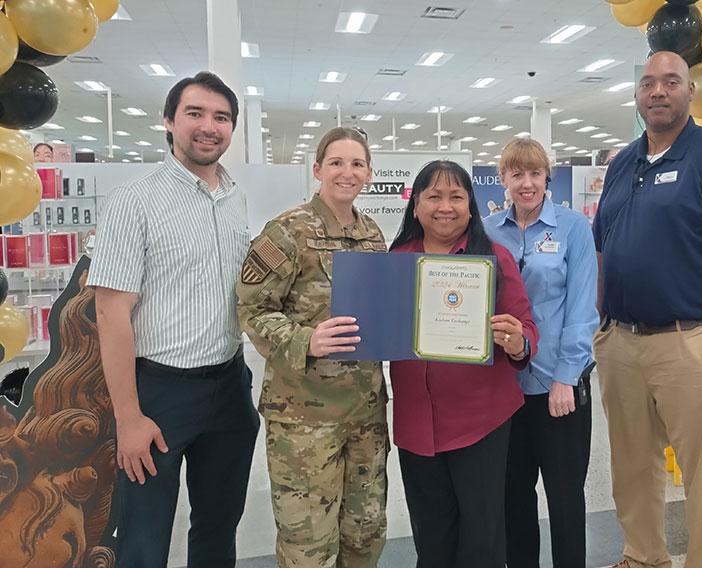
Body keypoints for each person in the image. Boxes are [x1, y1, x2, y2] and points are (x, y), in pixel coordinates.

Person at [592, 51, 702, 568]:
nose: (658, 91)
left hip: (692, 341)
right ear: (637, 95)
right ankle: (643, 555)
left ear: (689, 91)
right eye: (648, 83)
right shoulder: (624, 163)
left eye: (671, 81)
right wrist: (602, 324)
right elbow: (604, 246)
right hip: (621, 342)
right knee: (630, 467)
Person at [88, 71, 259, 567]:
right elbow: (111, 311)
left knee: (218, 525)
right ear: (169, 121)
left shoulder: (234, 200)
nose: (209, 127)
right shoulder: (134, 201)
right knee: (145, 535)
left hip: (229, 385)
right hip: (158, 393)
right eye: (195, 113)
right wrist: (129, 417)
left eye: (221, 117)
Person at [236, 127, 388, 568]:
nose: (347, 172)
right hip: (305, 420)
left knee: (365, 534)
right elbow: (252, 308)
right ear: (318, 169)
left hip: (364, 415)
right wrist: (305, 339)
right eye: (337, 163)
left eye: (357, 163)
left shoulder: (372, 234)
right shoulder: (286, 231)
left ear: (369, 173)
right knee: (309, 548)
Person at [389, 160, 540, 568]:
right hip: (417, 423)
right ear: (415, 205)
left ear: (471, 206)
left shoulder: (493, 258)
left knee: (483, 537)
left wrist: (516, 342)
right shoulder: (395, 260)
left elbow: (525, 327)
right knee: (432, 536)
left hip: (482, 422)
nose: (445, 206)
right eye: (434, 196)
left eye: (456, 196)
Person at [483, 138, 599, 568]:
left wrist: (566, 376)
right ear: (503, 180)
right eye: (517, 174)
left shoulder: (572, 228)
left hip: (559, 387)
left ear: (547, 177)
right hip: (504, 390)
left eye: (535, 173)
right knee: (513, 497)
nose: (527, 183)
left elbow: (583, 308)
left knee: (565, 498)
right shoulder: (487, 231)